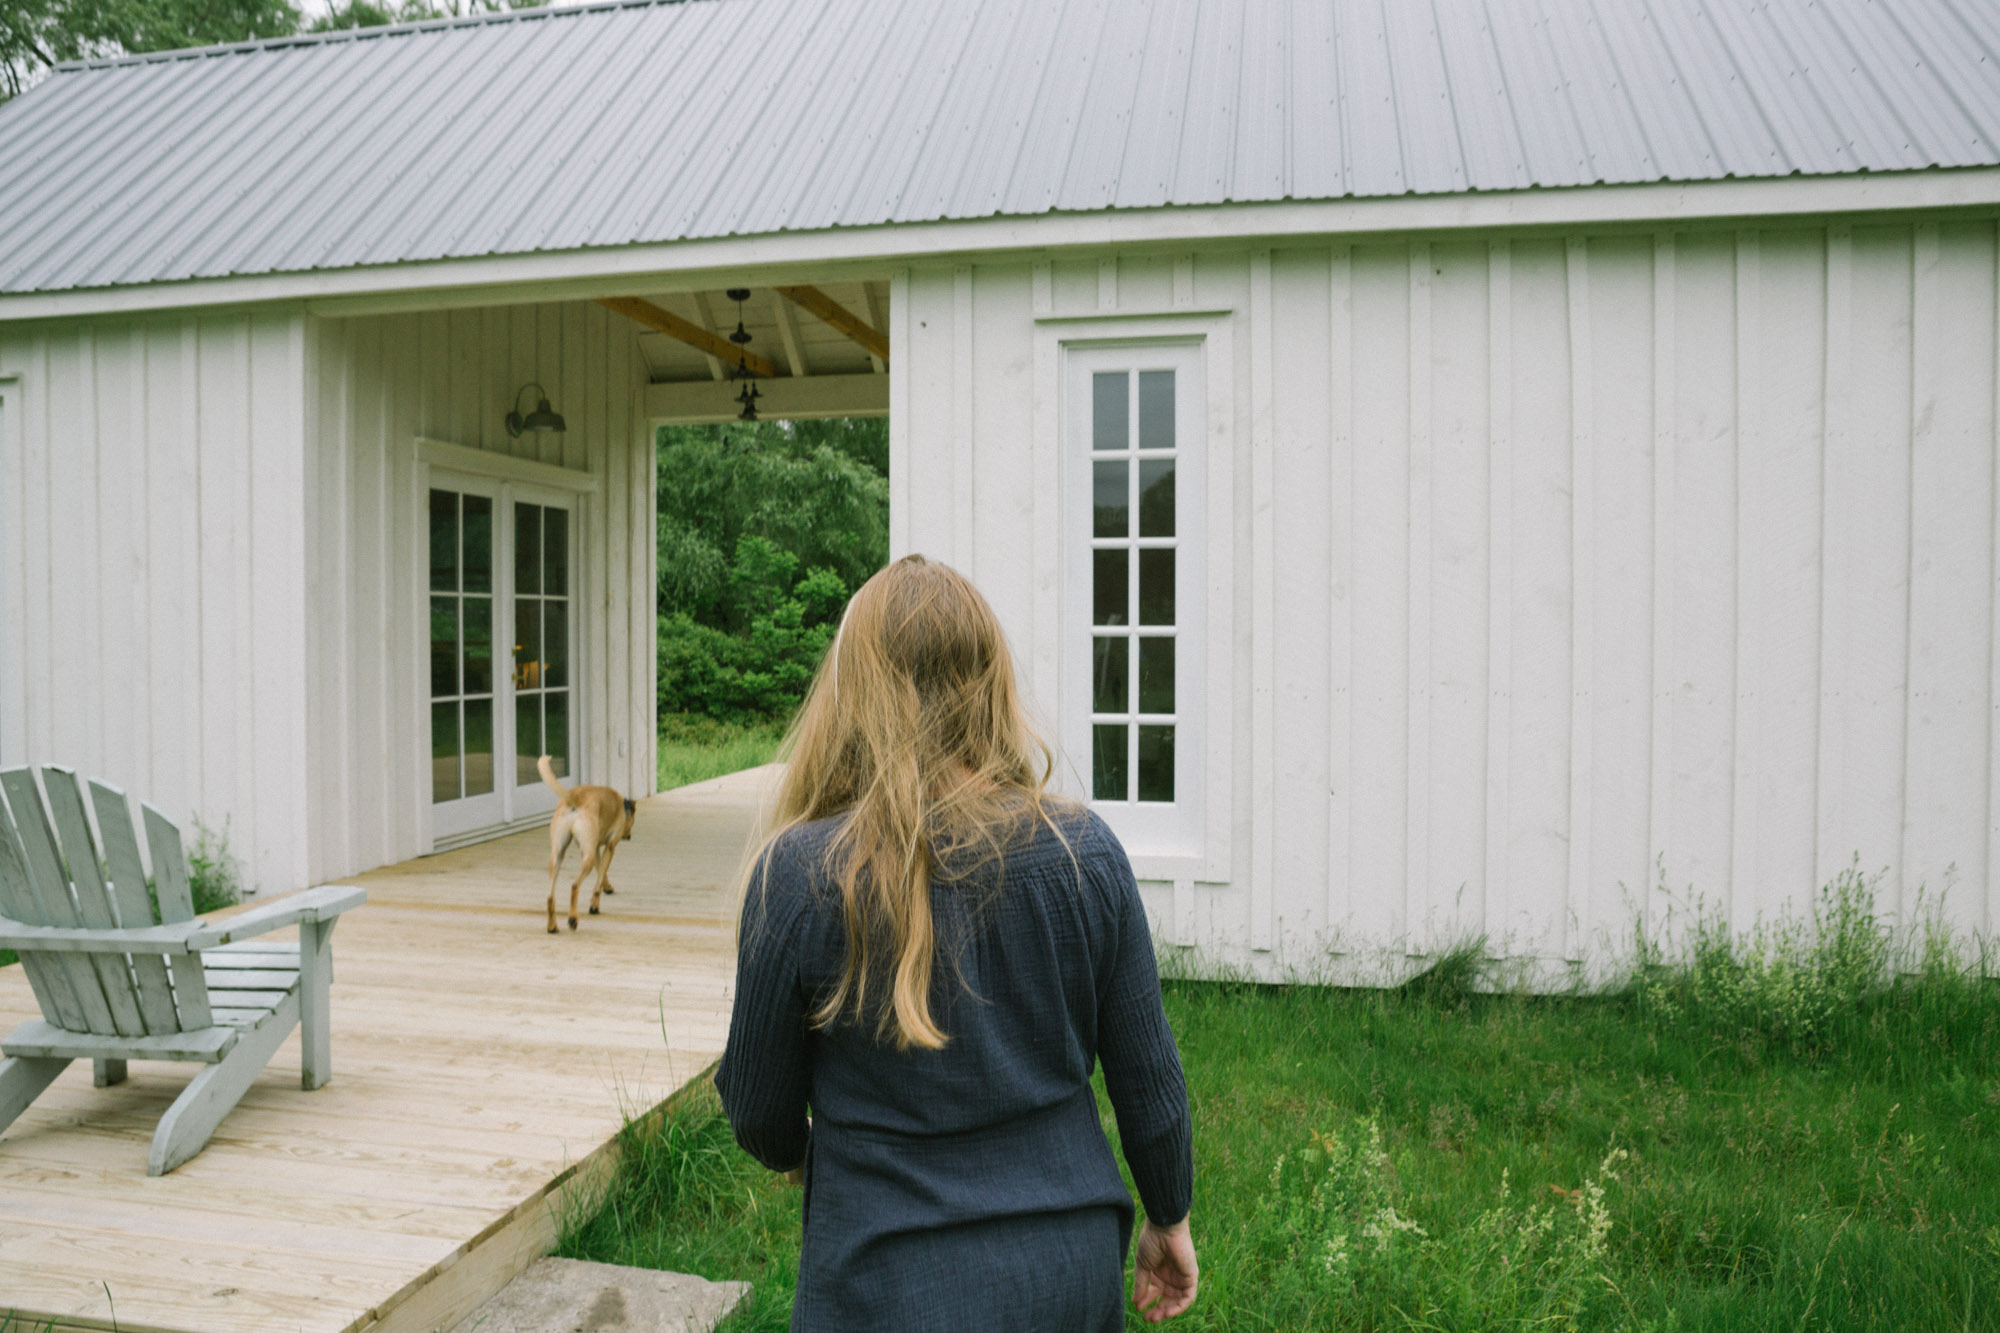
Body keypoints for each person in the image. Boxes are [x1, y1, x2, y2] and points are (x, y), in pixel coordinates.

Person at [715, 554, 1198, 1331]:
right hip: (1068, 1268)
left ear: (850, 691)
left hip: (886, 1281)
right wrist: (1169, 1215)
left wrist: (805, 1155)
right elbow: (1150, 1081)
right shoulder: (1085, 852)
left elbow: (758, 1108)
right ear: (990, 679)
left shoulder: (800, 875)